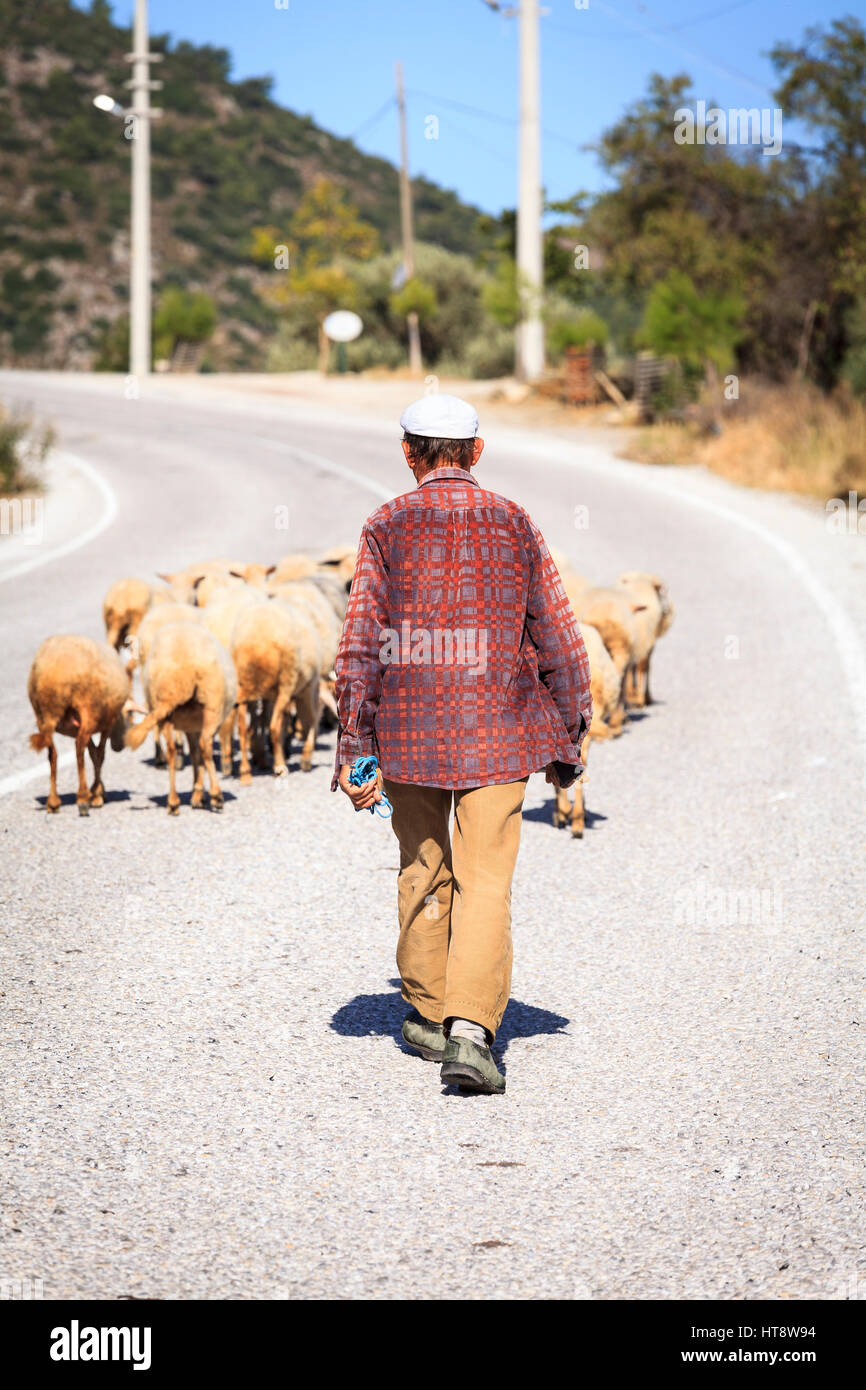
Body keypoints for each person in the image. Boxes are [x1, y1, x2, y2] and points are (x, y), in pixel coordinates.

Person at [333, 394, 592, 1094]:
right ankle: (471, 1033)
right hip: (499, 735)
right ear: (477, 452)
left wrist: (356, 749)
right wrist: (571, 735)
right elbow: (561, 639)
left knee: (422, 869)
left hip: (409, 735)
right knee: (486, 883)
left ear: (408, 452)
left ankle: (425, 1011)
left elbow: (359, 647)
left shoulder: (386, 523)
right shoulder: (516, 522)